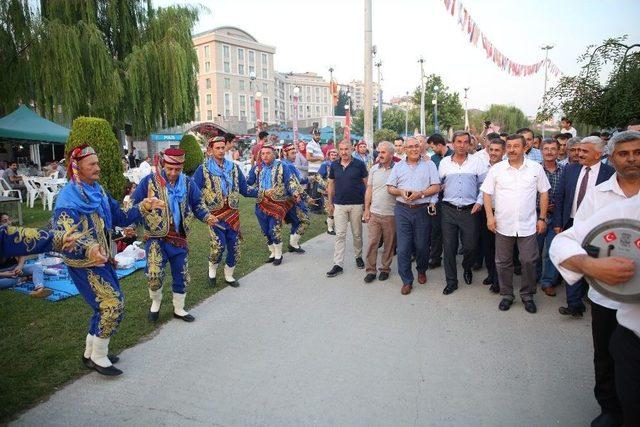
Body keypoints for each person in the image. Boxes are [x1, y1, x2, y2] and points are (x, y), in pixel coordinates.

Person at [553, 130, 640, 426]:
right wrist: (590, 266)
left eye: (637, 152)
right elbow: (571, 239)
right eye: (624, 153)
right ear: (612, 158)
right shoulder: (600, 194)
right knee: (605, 354)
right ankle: (609, 410)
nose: (632, 159)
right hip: (605, 295)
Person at [54, 144, 156, 376]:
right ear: (77, 169)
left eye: (97, 163)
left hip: (103, 260)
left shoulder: (98, 191)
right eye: (92, 164)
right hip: (83, 264)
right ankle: (99, 356)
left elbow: (120, 216)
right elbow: (65, 237)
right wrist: (89, 249)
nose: (98, 167)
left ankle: (91, 353)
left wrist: (144, 206)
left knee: (106, 306)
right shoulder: (67, 201)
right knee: (111, 305)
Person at [132, 149, 215, 323]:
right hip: (155, 237)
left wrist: (207, 216)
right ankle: (155, 303)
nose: (173, 173)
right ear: (163, 164)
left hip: (179, 237)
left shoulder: (188, 183)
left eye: (177, 169)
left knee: (181, 273)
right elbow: (134, 205)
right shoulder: (149, 182)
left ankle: (179, 308)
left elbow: (198, 204)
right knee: (154, 275)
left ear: (182, 167)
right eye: (169, 169)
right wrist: (131, 224)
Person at [480, 134, 551, 313]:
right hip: (503, 225)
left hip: (528, 225)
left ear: (525, 147)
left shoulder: (535, 168)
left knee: (528, 260)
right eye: (509, 146)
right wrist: (489, 217)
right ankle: (507, 295)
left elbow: (544, 193)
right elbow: (486, 194)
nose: (511, 150)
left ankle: (527, 295)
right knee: (503, 262)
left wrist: (542, 218)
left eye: (516, 146)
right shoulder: (497, 170)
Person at [554, 136, 615, 317]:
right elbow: (560, 197)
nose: (578, 154)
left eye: (584, 151)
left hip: (598, 228)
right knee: (573, 262)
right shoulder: (570, 169)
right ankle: (574, 304)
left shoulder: (610, 173)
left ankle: (592, 299)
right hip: (571, 223)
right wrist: (558, 223)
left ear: (598, 154)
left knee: (592, 264)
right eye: (578, 150)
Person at [386, 137, 440, 295]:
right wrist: (400, 191)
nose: (414, 149)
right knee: (403, 248)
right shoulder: (398, 166)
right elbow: (390, 187)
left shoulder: (429, 165)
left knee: (422, 245)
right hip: (402, 209)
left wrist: (421, 194)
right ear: (404, 150)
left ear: (421, 147)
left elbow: (436, 186)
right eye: (410, 147)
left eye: (416, 146)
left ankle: (421, 270)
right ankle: (407, 280)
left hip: (422, 209)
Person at [193, 137, 250, 287]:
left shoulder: (233, 168)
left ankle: (229, 275)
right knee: (219, 245)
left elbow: (245, 189)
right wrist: (201, 212)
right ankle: (212, 270)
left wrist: (263, 193)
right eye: (217, 148)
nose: (221, 150)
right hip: (214, 216)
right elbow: (194, 192)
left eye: (222, 147)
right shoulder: (203, 169)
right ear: (210, 151)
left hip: (232, 214)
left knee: (235, 246)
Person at [438, 131, 486, 295]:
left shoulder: (477, 162)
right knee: (449, 247)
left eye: (465, 142)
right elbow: (439, 184)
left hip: (470, 210)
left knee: (470, 246)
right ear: (452, 143)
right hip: (448, 210)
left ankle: (467, 267)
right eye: (458, 142)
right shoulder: (444, 163)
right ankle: (451, 281)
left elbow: (484, 186)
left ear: (469, 144)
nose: (462, 145)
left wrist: (479, 202)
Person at [247, 140, 303, 266]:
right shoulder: (257, 168)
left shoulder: (282, 166)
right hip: (261, 203)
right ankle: (272, 252)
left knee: (275, 229)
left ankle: (278, 254)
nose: (265, 156)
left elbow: (290, 182)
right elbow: (248, 183)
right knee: (265, 230)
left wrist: (295, 192)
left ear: (274, 155)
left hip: (277, 204)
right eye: (263, 154)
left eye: (268, 153)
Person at [325, 140, 369, 277]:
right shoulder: (334, 165)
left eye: (347, 149)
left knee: (357, 234)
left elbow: (367, 185)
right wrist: (330, 202)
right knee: (340, 235)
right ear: (339, 150)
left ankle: (358, 256)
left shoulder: (359, 164)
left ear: (351, 149)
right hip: (339, 204)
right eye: (341, 149)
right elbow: (331, 184)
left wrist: (368, 205)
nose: (344, 152)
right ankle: (338, 264)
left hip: (356, 204)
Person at [363, 141, 397, 283]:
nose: (380, 155)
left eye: (383, 152)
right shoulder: (374, 169)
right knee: (372, 242)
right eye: (379, 152)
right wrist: (366, 209)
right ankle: (370, 270)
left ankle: (385, 269)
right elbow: (369, 189)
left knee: (389, 244)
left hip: (391, 214)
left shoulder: (398, 169)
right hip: (374, 213)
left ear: (391, 154)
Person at [537, 138, 564, 297]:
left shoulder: (564, 170)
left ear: (559, 150)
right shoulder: (535, 170)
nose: (549, 152)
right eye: (546, 149)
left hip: (556, 216)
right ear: (541, 151)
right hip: (536, 215)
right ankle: (534, 276)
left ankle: (547, 281)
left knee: (551, 251)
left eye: (553, 149)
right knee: (535, 250)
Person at [479, 138, 506, 293]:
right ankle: (491, 274)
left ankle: (498, 280)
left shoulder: (506, 168)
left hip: (502, 212)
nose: (493, 153)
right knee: (488, 247)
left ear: (503, 152)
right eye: (491, 149)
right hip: (486, 211)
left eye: (497, 150)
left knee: (501, 249)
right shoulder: (482, 166)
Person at [426, 133, 453, 269]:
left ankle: (451, 257)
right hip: (437, 198)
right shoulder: (433, 159)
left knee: (450, 232)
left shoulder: (454, 156)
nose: (432, 150)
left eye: (432, 147)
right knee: (436, 229)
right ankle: (435, 257)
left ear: (439, 145)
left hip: (452, 200)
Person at [281, 142, 311, 254]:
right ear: (286, 154)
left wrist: (309, 179)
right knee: (305, 221)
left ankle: (293, 244)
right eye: (292, 153)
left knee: (296, 222)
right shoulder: (288, 166)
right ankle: (293, 244)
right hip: (293, 199)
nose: (295, 155)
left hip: (287, 199)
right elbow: (297, 181)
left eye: (295, 153)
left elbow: (299, 180)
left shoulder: (285, 164)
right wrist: (310, 179)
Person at [318, 148, 338, 235]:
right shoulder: (324, 164)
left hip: (337, 190)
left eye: (335, 154)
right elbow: (318, 177)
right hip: (326, 190)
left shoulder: (339, 164)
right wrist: (326, 186)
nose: (334, 156)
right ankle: (330, 228)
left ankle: (330, 222)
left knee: (336, 208)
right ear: (329, 155)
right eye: (332, 154)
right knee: (330, 208)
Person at [306, 129, 325, 212]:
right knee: (314, 191)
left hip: (318, 170)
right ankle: (313, 209)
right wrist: (319, 158)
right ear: (312, 135)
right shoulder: (310, 144)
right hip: (314, 171)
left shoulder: (317, 144)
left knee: (319, 190)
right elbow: (308, 158)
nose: (318, 136)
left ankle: (319, 208)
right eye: (316, 135)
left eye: (319, 135)